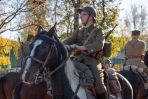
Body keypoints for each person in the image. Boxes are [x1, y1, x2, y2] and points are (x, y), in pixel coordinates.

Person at [64, 6, 108, 99]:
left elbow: (99, 44)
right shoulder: (79, 31)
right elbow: (68, 41)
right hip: (77, 59)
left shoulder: (98, 30)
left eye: (84, 14)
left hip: (92, 61)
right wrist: (64, 45)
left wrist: (81, 47)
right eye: (80, 14)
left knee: (98, 82)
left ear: (91, 16)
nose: (80, 16)